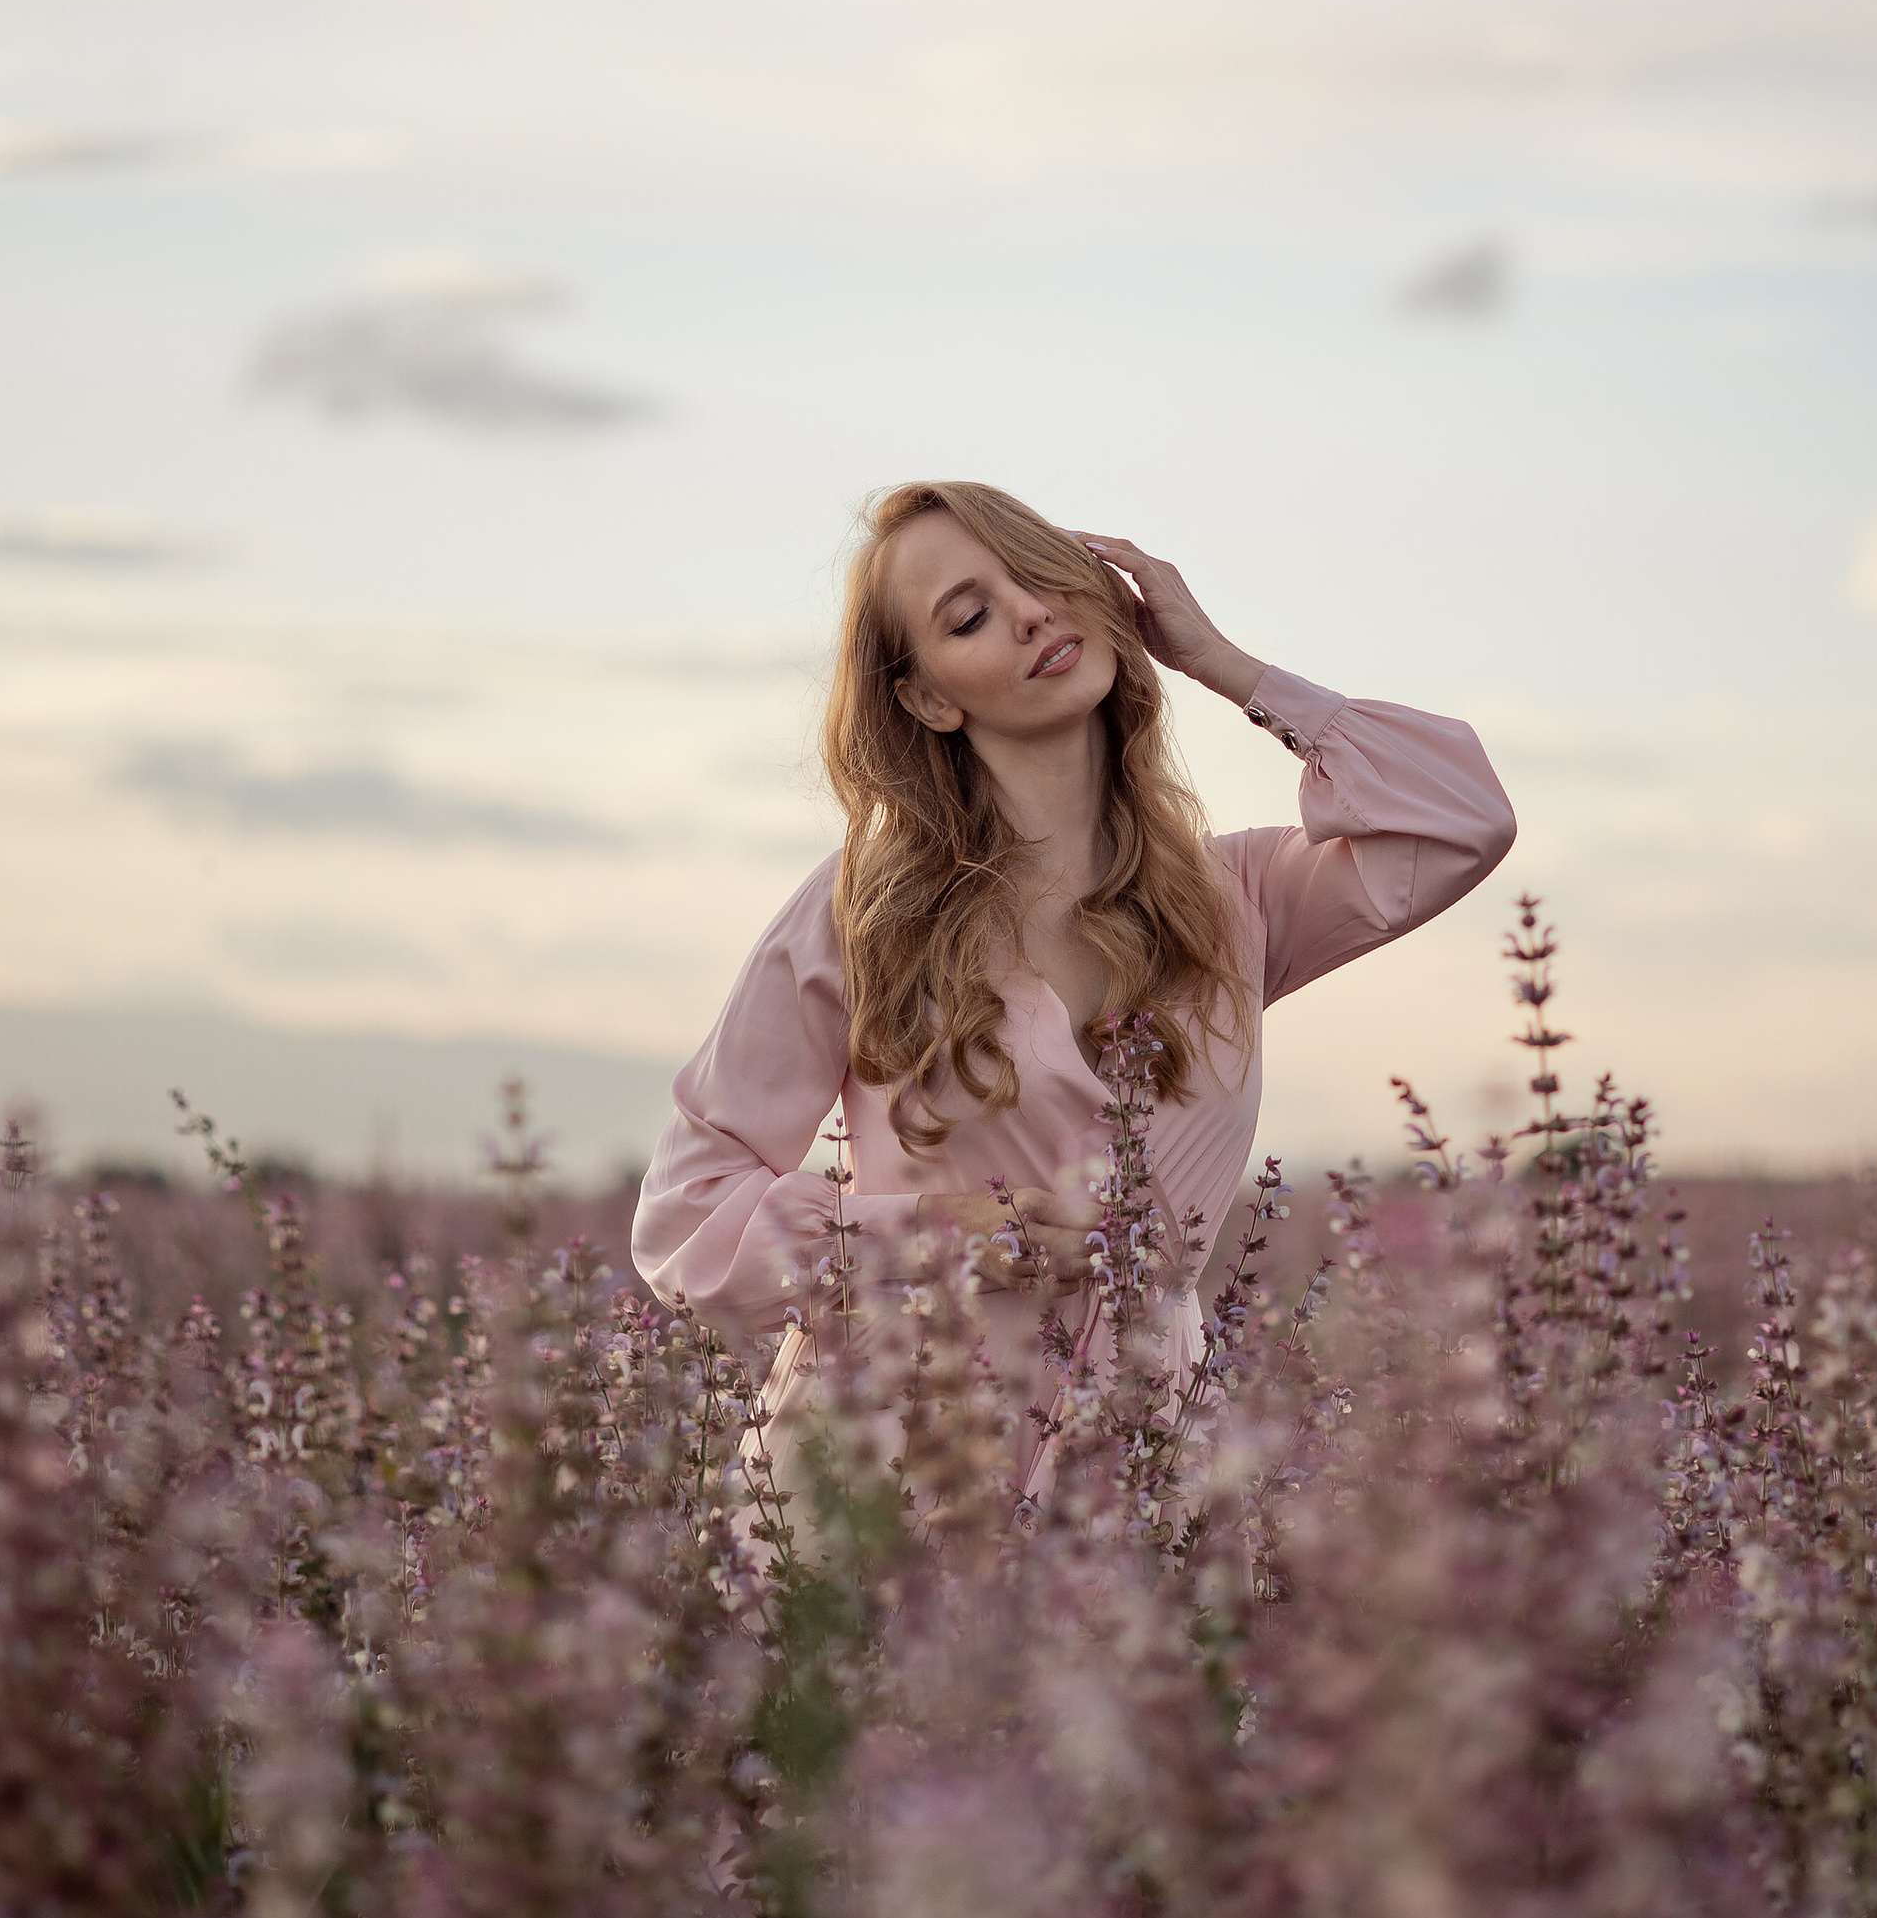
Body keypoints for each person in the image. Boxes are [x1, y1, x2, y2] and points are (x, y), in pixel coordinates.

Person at [630, 480, 1516, 1455]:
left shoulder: (1235, 902)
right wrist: (947, 1232)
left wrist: (1225, 665)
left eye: (1041, 575)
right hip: (886, 1464)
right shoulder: (864, 914)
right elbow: (687, 1218)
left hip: (1130, 1468)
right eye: (969, 616)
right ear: (928, 697)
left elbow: (1461, 815)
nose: (1028, 612)